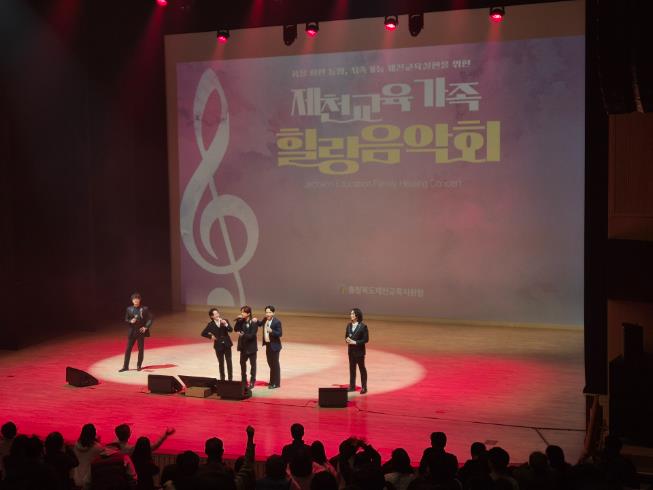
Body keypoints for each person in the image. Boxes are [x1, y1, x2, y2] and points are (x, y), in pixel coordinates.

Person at [120, 292, 153, 372]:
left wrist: (146, 327)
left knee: (140, 349)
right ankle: (125, 366)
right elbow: (126, 319)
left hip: (140, 331)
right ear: (132, 300)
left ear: (140, 300)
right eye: (134, 299)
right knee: (128, 349)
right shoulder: (129, 309)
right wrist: (130, 321)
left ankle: (139, 365)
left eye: (137, 299)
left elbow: (150, 319)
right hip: (132, 332)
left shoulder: (144, 309)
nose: (136, 300)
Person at [201, 308, 234, 381]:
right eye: (215, 314)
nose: (217, 315)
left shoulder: (224, 320)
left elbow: (231, 330)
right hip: (218, 346)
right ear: (211, 316)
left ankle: (230, 379)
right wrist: (211, 337)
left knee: (229, 362)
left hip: (227, 344)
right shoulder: (210, 324)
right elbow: (203, 333)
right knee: (221, 363)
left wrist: (226, 324)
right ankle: (222, 379)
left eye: (217, 313)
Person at [234, 305, 258, 389]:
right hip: (243, 347)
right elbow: (236, 329)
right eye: (241, 312)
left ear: (248, 313)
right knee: (242, 364)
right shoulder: (241, 321)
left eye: (243, 312)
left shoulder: (253, 323)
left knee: (253, 365)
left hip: (251, 348)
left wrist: (243, 335)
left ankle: (252, 381)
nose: (242, 313)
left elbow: (252, 336)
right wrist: (238, 320)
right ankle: (244, 381)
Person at [258, 305, 282, 389]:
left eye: (270, 312)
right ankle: (272, 382)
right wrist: (255, 320)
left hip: (275, 346)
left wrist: (272, 331)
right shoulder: (265, 319)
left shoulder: (277, 322)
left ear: (273, 313)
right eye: (266, 312)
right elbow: (260, 324)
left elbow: (280, 333)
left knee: (275, 365)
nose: (268, 314)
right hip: (268, 345)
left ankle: (276, 383)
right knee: (270, 364)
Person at [345, 308, 368, 394]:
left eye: (352, 314)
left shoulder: (363, 326)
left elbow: (366, 339)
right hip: (351, 352)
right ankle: (352, 386)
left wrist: (355, 342)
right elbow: (346, 336)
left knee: (362, 369)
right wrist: (347, 339)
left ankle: (364, 387)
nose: (351, 315)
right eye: (351, 313)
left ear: (357, 315)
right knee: (352, 369)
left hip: (359, 352)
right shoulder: (349, 325)